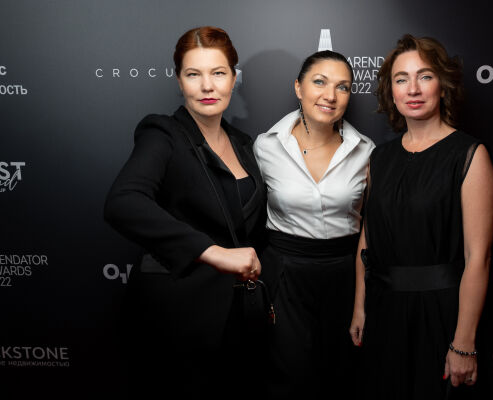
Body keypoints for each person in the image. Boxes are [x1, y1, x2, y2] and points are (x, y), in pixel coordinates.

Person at [104, 26, 267, 399]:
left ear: (233, 78)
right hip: (178, 319)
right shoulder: (162, 133)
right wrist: (213, 252)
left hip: (240, 321)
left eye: (218, 73)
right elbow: (122, 201)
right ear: (179, 82)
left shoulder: (243, 144)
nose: (207, 86)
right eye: (194, 74)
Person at [349, 34, 493, 399]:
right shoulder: (379, 158)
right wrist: (360, 308)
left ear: (442, 85)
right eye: (401, 79)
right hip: (384, 312)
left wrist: (464, 343)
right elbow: (368, 239)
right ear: (391, 91)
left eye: (424, 76)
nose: (412, 89)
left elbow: (478, 257)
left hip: (441, 315)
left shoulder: (469, 156)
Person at [253, 50, 375, 399]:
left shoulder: (366, 151)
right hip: (284, 276)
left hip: (344, 274)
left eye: (342, 87)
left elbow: (371, 231)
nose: (330, 95)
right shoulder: (265, 146)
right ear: (298, 87)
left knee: (340, 377)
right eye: (319, 82)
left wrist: (361, 303)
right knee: (288, 378)